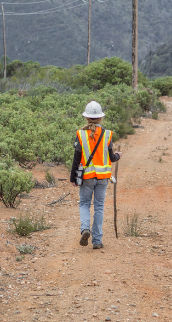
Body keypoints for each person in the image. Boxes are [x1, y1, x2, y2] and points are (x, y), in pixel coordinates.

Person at [70, 101, 121, 249]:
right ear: (100, 118)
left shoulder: (80, 134)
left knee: (85, 204)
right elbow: (111, 158)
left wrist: (73, 177)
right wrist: (118, 156)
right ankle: (97, 241)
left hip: (87, 177)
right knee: (99, 206)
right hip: (103, 177)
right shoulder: (107, 134)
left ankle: (85, 229)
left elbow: (76, 158)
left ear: (86, 117)